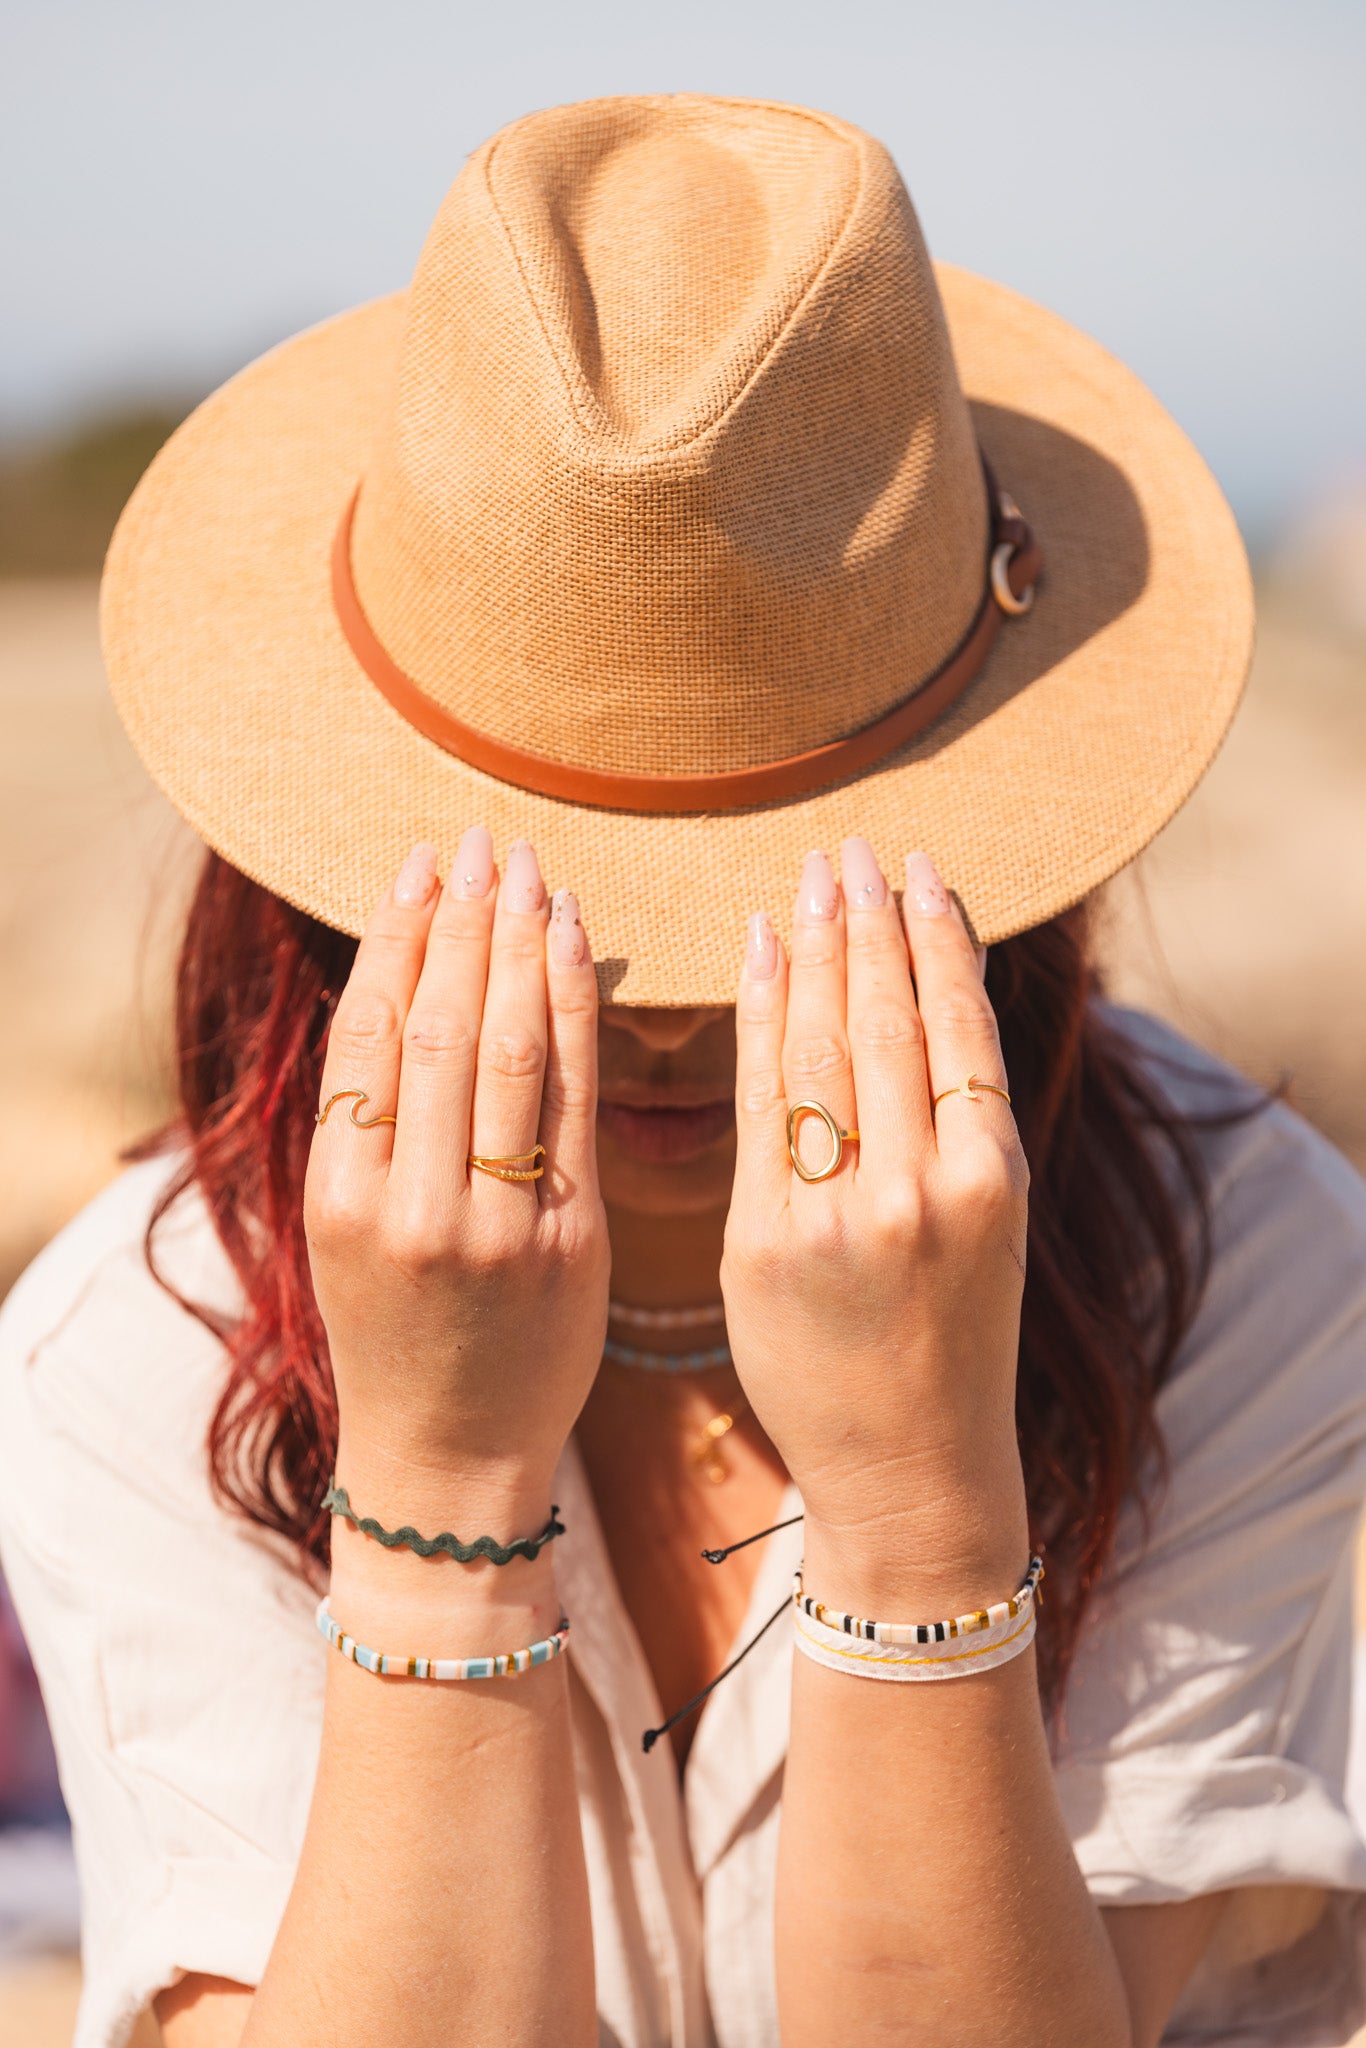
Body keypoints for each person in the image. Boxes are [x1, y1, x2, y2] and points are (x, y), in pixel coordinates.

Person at [1, 93, 1364, 2048]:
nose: (656, 1008)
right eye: (556, 890)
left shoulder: (1234, 1263)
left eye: (756, 894)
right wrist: (441, 1510)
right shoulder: (142, 1347)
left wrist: (913, 1509)